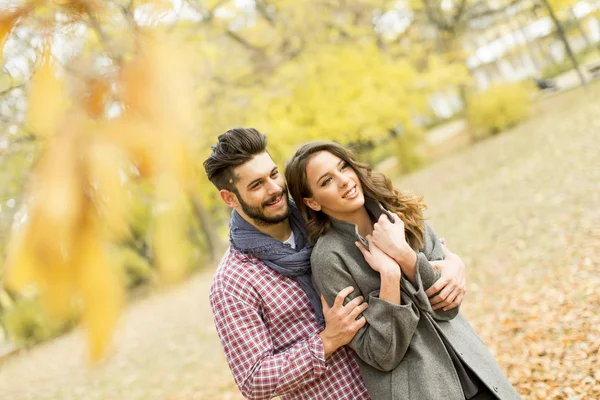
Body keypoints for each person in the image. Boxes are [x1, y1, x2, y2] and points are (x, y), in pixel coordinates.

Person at [204, 128, 468, 400]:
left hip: (408, 385)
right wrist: (328, 340)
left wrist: (451, 261)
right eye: (256, 185)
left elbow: (404, 244)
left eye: (273, 175)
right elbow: (254, 379)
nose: (274, 189)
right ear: (230, 198)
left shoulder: (321, 218)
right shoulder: (233, 282)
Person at [285, 141, 522, 400]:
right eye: (327, 181)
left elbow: (449, 307)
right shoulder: (328, 259)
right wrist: (389, 278)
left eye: (343, 167)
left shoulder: (399, 213)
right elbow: (381, 354)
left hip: (477, 369)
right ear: (313, 202)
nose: (344, 181)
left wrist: (404, 255)